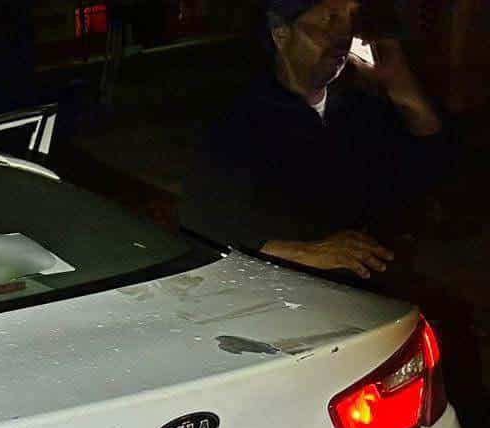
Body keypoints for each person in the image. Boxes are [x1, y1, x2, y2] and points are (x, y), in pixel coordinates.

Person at [179, 0, 448, 280]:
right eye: (329, 20)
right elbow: (203, 225)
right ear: (281, 34)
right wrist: (306, 251)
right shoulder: (238, 121)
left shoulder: (358, 111)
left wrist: (401, 86)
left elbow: (428, 172)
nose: (344, 35)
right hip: (287, 296)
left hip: (369, 292)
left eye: (350, 20)